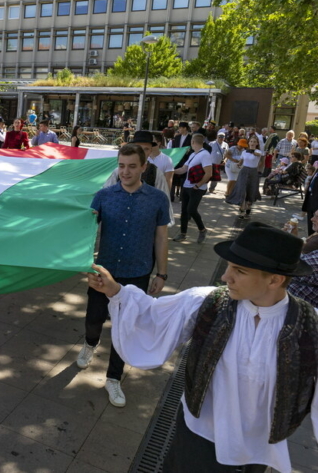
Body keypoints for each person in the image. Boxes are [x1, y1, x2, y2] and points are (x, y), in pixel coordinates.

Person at [86, 221, 317, 473]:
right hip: (200, 433)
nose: (225, 276)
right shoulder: (208, 302)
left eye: (238, 271)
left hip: (258, 445)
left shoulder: (309, 325)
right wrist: (115, 291)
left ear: (274, 280)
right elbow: (152, 316)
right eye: (228, 267)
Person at [77, 143, 170, 408]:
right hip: (104, 271)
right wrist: (83, 262)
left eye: (131, 166)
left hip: (138, 273)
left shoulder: (157, 199)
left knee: (125, 327)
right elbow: (84, 230)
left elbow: (161, 237)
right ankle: (89, 343)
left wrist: (161, 273)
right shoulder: (104, 196)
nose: (125, 172)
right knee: (94, 318)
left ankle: (114, 378)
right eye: (121, 166)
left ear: (144, 167)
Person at [173, 134, 213, 243]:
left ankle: (202, 229)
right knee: (184, 211)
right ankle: (182, 234)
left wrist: (198, 185)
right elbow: (183, 169)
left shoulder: (205, 155)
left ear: (193, 142)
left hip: (197, 188)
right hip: (186, 186)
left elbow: (209, 173)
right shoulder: (193, 154)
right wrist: (171, 171)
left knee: (191, 209)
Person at [285, 209, 318, 306]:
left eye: (317, 217)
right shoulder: (315, 236)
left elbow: (291, 265)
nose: (312, 219)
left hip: (299, 306)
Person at [226, 134, 263, 219]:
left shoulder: (258, 152)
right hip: (244, 171)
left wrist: (252, 151)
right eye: (251, 141)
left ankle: (248, 209)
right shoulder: (244, 152)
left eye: (254, 142)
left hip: (253, 172)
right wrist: (237, 164)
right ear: (248, 142)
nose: (252, 143)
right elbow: (241, 162)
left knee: (251, 190)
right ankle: (242, 208)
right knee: (242, 189)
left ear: (257, 143)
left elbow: (257, 154)